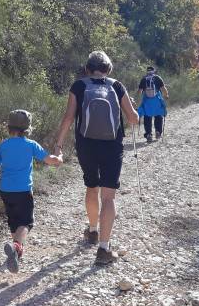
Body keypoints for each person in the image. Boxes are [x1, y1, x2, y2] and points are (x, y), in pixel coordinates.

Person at [55, 51, 139, 265]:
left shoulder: (78, 86)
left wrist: (58, 144)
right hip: (112, 146)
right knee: (108, 197)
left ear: (87, 68)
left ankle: (92, 230)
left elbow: (68, 117)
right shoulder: (117, 86)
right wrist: (135, 113)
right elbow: (132, 119)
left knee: (91, 187)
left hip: (86, 145)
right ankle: (103, 248)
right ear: (108, 69)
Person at [0, 110, 63, 273]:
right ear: (27, 128)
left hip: (5, 190)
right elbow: (50, 160)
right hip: (23, 190)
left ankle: (16, 252)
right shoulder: (31, 144)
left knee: (13, 220)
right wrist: (59, 158)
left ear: (9, 127)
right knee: (26, 222)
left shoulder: (3, 145)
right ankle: (16, 245)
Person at [137, 66, 169, 143]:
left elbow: (139, 92)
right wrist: (166, 95)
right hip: (157, 101)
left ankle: (148, 134)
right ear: (153, 71)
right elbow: (163, 89)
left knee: (147, 118)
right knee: (158, 116)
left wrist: (139, 99)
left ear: (147, 71)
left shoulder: (144, 79)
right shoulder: (157, 78)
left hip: (147, 101)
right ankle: (158, 131)